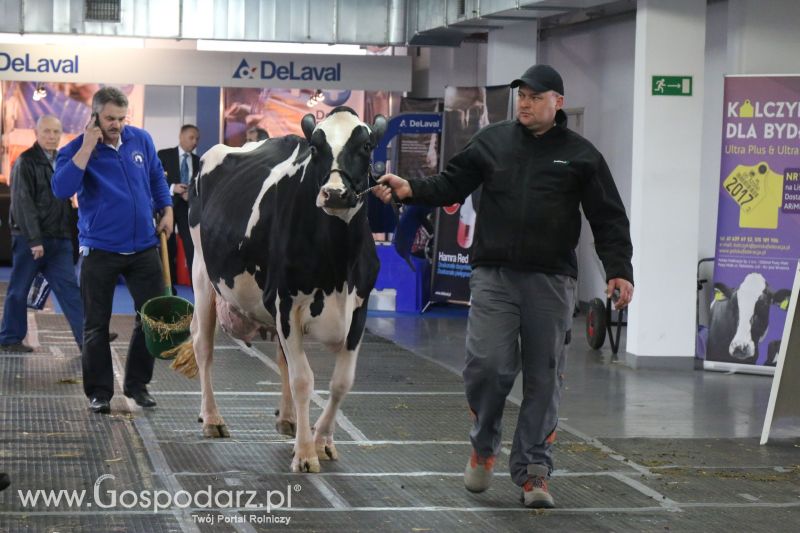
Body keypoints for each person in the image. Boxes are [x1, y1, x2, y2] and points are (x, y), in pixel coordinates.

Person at [374, 64, 634, 509]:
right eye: (522, 96)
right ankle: (483, 445)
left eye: (534, 96)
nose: (525, 103)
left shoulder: (581, 155)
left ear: (557, 101)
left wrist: (619, 268)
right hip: (493, 276)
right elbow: (450, 183)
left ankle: (535, 472)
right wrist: (410, 189)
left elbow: (607, 217)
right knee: (489, 367)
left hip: (551, 281)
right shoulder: (491, 141)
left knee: (543, 378)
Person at [52, 87, 173, 415]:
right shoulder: (77, 149)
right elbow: (62, 188)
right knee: (95, 325)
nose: (117, 124)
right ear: (94, 117)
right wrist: (88, 146)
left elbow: (155, 178)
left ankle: (137, 385)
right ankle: (99, 392)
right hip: (100, 250)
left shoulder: (140, 140)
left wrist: (167, 207)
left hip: (144, 246)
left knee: (151, 319)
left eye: (121, 118)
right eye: (109, 118)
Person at [0, 115, 84, 353]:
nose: (51, 136)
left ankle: (87, 338)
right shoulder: (25, 161)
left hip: (60, 239)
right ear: (36, 133)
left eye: (56, 132)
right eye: (46, 131)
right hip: (30, 240)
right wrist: (35, 240)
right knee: (19, 290)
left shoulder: (63, 160)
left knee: (70, 290)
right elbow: (22, 203)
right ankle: (9, 338)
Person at [157, 124, 200, 289]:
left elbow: (201, 184)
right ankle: (167, 286)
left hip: (188, 208)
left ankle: (195, 287)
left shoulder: (199, 161)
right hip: (167, 205)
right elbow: (155, 178)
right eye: (191, 137)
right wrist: (172, 187)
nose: (194, 142)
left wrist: (192, 193)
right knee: (168, 247)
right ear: (181, 137)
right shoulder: (164, 155)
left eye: (197, 139)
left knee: (191, 246)